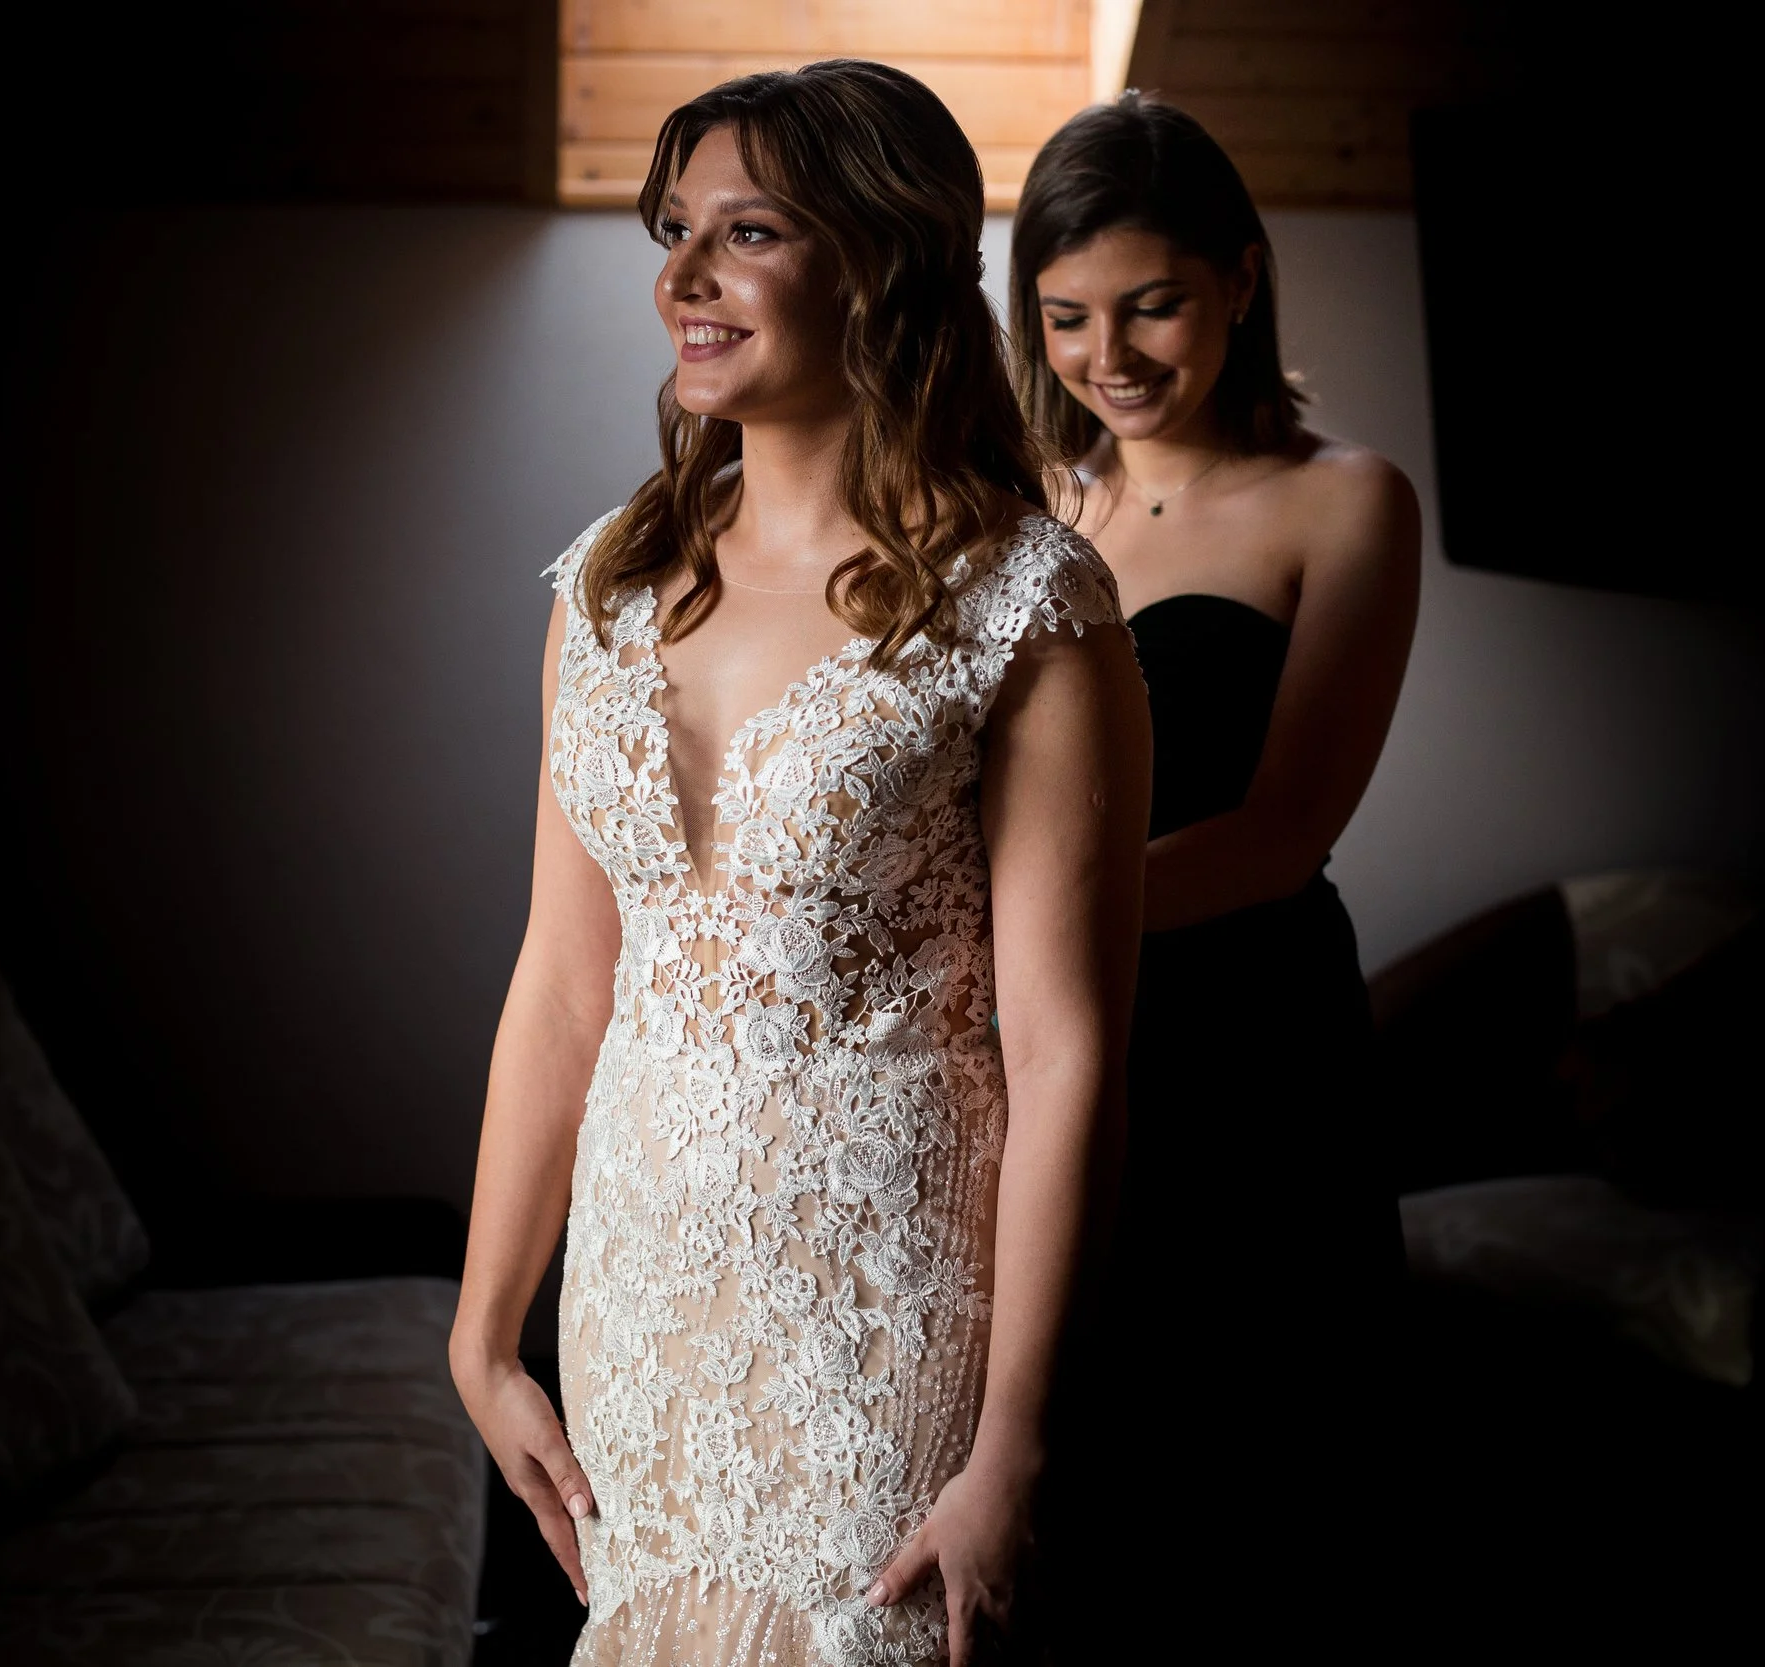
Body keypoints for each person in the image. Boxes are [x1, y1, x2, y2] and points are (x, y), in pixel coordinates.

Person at [450, 62, 1152, 1667]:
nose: (681, 279)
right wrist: (485, 1329)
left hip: (882, 1315)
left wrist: (1016, 1442)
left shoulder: (1025, 605)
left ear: (881, 261)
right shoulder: (610, 588)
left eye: (745, 232)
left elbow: (1067, 1052)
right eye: (673, 229)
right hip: (639, 1309)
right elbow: (565, 985)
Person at [1008, 92, 1421, 1630]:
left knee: (1250, 1497)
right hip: (1046, 1039)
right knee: (1062, 1481)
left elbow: (1285, 831)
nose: (1106, 355)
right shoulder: (1030, 505)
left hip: (1249, 1042)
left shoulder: (1346, 500)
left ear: (1243, 279)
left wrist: (1020, 940)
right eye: (1063, 317)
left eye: (1152, 304)